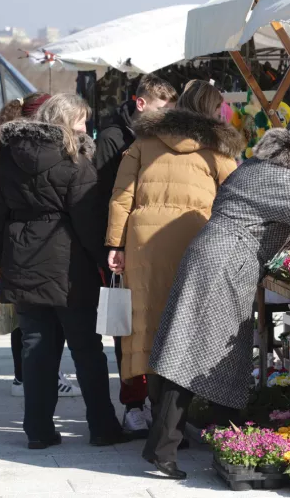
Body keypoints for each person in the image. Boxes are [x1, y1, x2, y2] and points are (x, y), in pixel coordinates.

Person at [138, 113, 290, 479]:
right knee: (193, 354)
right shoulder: (282, 178)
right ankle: (162, 450)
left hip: (214, 256)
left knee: (200, 349)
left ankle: (224, 434)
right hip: (225, 264)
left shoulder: (258, 165)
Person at [0, 93, 127, 449]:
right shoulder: (75, 161)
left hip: (23, 259)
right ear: (65, 122)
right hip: (69, 267)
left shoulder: (9, 157)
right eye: (80, 121)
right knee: (87, 350)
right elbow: (87, 220)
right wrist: (103, 258)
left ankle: (38, 431)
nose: (85, 128)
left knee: (37, 348)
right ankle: (103, 427)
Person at [104, 80, 240, 439]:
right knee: (187, 327)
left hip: (144, 243)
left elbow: (121, 198)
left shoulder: (142, 143)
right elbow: (238, 195)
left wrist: (114, 245)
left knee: (149, 328)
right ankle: (178, 425)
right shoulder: (217, 150)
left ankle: (159, 425)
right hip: (194, 240)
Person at [0, 93, 85, 399]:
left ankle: (36, 424)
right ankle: (97, 423)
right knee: (76, 340)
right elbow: (86, 213)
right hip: (63, 258)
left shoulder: (8, 154)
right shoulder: (72, 159)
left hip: (19, 252)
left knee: (32, 334)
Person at [94, 75, 177, 434]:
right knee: (126, 328)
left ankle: (152, 403)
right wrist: (113, 246)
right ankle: (132, 404)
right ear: (140, 104)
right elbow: (105, 196)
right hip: (122, 250)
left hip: (151, 246)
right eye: (161, 109)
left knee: (152, 324)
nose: (166, 117)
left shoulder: (158, 137)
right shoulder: (115, 138)